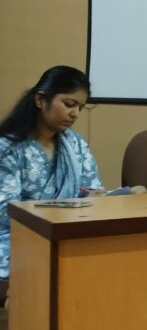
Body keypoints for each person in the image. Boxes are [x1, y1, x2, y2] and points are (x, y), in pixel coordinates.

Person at [0, 66, 104, 309]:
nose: (75, 113)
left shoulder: (75, 144)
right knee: (41, 266)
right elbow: (6, 211)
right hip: (15, 236)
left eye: (80, 107)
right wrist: (64, 210)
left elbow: (90, 191)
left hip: (65, 233)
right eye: (69, 104)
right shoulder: (8, 148)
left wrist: (112, 196)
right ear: (40, 99)